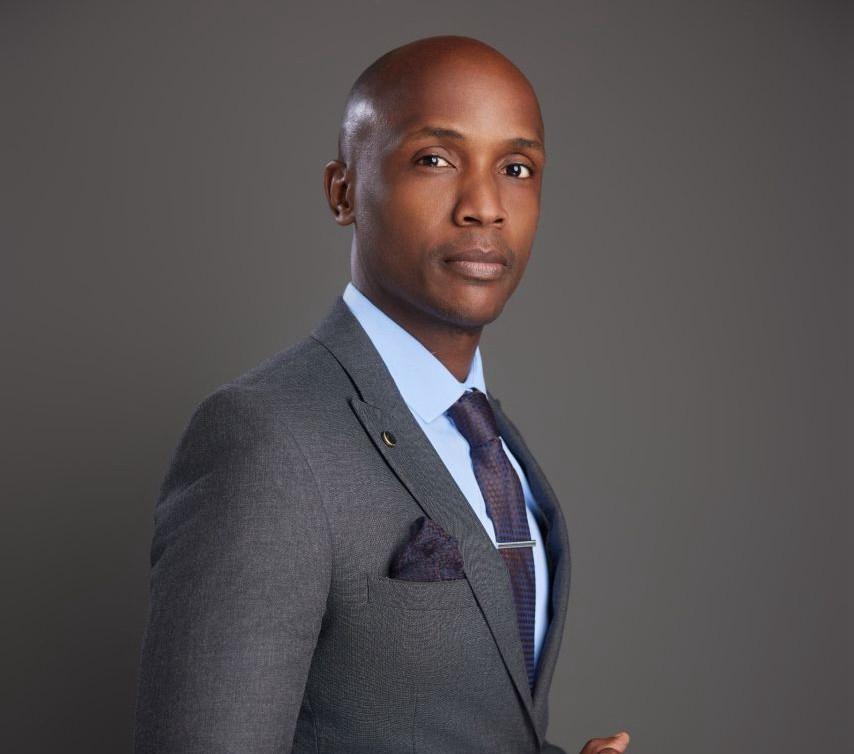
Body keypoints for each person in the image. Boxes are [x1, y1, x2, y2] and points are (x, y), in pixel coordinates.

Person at [133, 34, 631, 754]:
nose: (485, 206)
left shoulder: (493, 442)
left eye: (516, 168)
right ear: (343, 191)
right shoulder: (264, 440)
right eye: (435, 159)